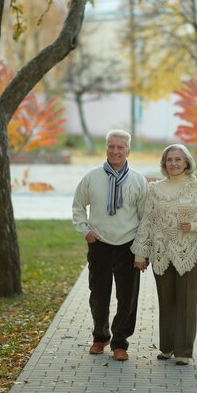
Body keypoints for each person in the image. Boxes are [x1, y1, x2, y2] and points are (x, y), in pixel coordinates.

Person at [131, 144, 197, 366]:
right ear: (164, 163)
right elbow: (147, 221)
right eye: (169, 160)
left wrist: (196, 225)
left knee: (186, 301)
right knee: (166, 299)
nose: (174, 163)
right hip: (161, 251)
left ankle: (184, 351)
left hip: (189, 251)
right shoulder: (155, 189)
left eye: (178, 159)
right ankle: (167, 347)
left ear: (187, 162)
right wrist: (140, 253)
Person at [72, 129, 148, 362]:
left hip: (129, 245)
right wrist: (85, 231)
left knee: (128, 297)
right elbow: (77, 207)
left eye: (120, 147)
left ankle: (120, 342)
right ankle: (100, 336)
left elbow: (146, 218)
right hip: (100, 244)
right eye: (111, 146)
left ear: (128, 151)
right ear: (106, 148)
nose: (115, 151)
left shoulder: (138, 180)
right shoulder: (91, 177)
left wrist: (142, 252)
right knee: (99, 293)